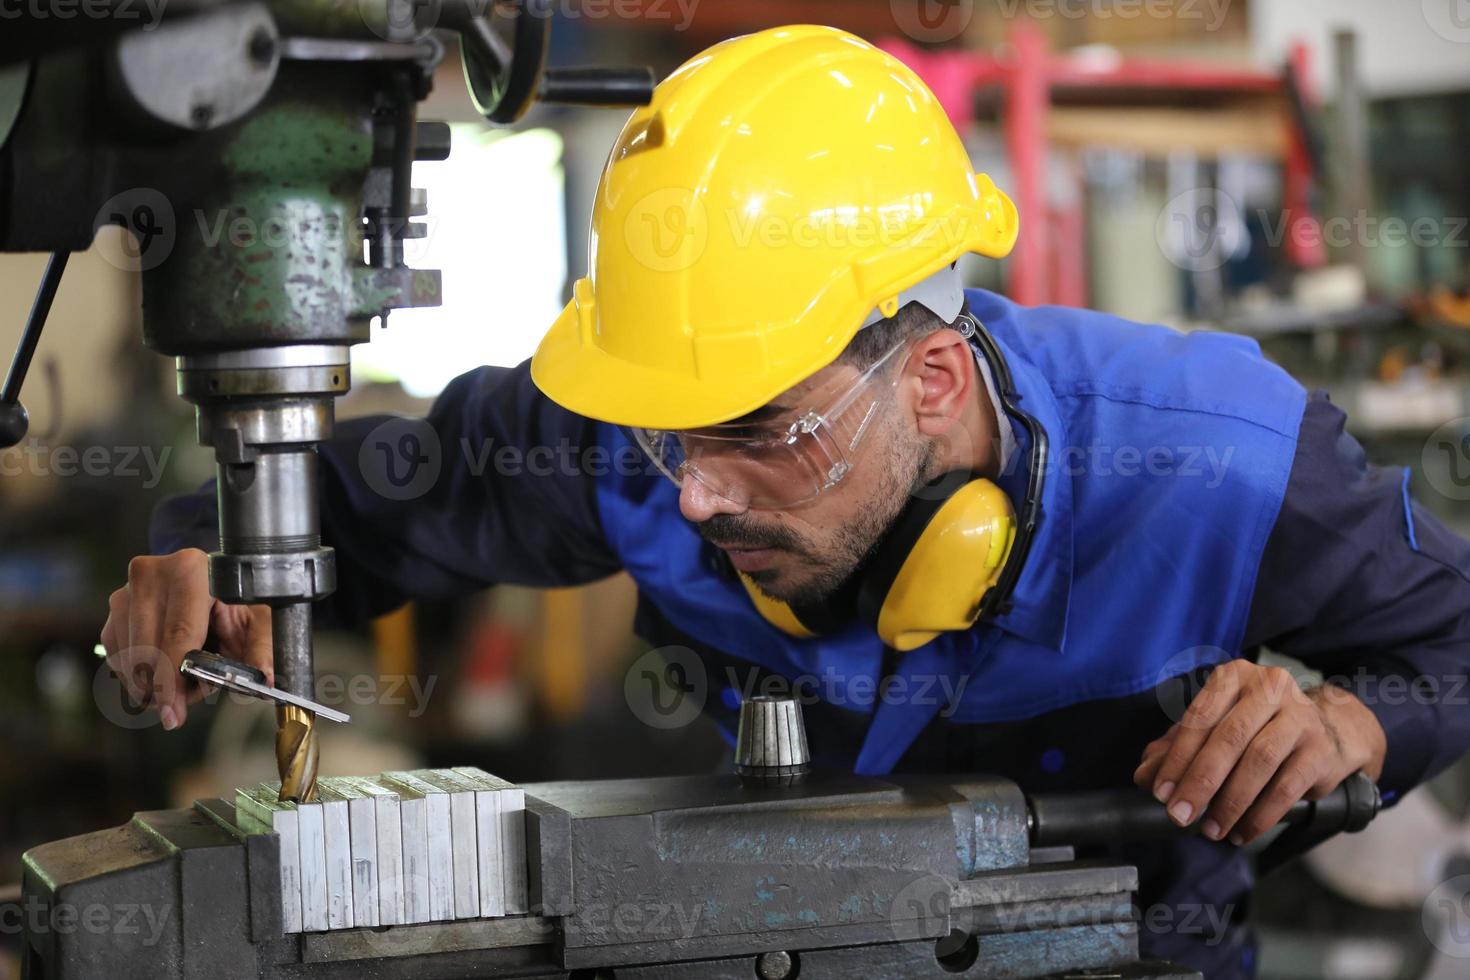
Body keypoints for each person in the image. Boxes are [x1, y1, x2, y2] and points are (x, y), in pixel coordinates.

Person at [100, 26, 1470, 977]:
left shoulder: (1221, 466)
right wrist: (207, 557)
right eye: (665, 425)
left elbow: (1450, 648)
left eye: (760, 429)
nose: (690, 489)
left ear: (931, 374)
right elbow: (343, 513)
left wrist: (1350, 716)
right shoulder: (620, 436)